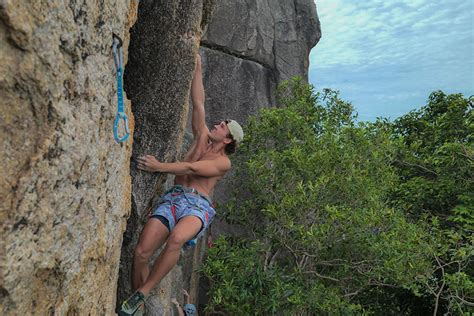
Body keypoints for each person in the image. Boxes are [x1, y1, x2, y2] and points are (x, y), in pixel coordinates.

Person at [119, 53, 244, 315]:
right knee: (141, 253)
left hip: (196, 207)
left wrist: (159, 167)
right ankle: (137, 305)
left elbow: (190, 167)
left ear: (229, 140)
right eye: (220, 122)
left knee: (176, 238)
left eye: (223, 126)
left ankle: (142, 292)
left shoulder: (223, 163)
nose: (218, 124)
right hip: (173, 199)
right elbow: (198, 102)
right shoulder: (201, 137)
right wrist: (196, 66)